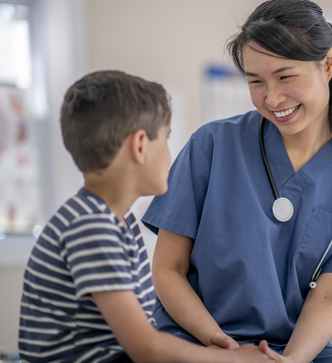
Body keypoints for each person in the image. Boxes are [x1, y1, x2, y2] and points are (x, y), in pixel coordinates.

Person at [142, 0, 332, 363]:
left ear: (328, 63)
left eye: (286, 76)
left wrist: (291, 361)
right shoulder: (212, 146)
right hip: (196, 340)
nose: (272, 98)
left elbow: (330, 295)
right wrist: (223, 347)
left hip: (289, 350)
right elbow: (169, 269)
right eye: (256, 81)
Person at [18, 70, 276, 363]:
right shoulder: (90, 227)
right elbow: (146, 347)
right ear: (140, 146)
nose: (169, 152)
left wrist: (216, 343)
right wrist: (237, 359)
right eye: (165, 139)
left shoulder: (117, 222)